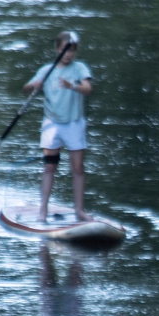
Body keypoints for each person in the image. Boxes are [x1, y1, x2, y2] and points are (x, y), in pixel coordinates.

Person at [22, 30, 93, 221]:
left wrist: (72, 86)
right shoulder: (47, 70)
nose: (68, 54)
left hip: (74, 125)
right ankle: (42, 211)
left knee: (77, 168)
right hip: (52, 125)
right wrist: (34, 85)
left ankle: (79, 210)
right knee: (49, 168)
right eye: (64, 50)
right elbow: (27, 88)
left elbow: (88, 89)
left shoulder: (79, 68)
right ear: (57, 49)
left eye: (71, 50)